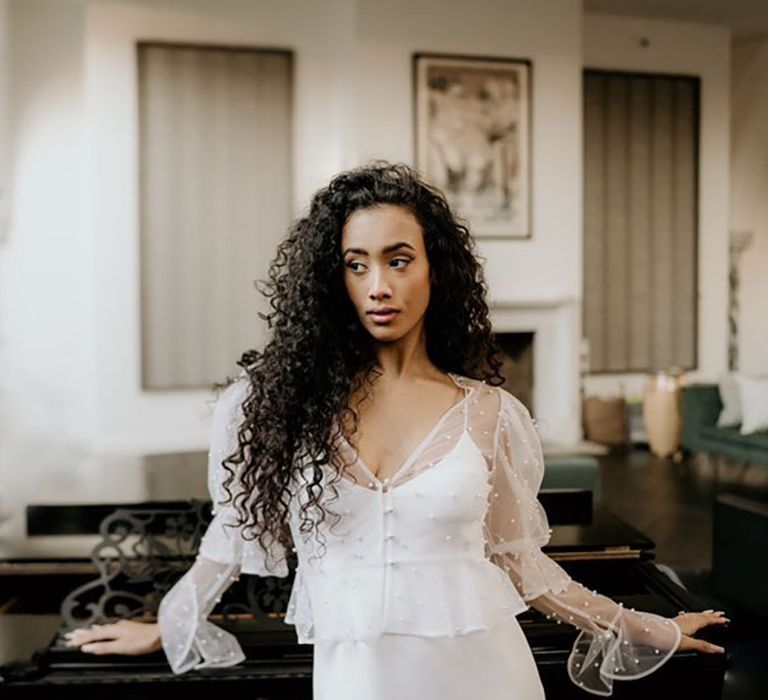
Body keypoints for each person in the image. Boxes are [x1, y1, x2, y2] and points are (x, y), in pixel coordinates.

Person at [64, 162, 728, 698]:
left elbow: (526, 568)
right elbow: (231, 538)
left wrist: (650, 627)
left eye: (399, 259)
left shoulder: (490, 413)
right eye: (357, 264)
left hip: (488, 675)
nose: (378, 285)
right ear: (334, 279)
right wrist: (166, 623)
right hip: (357, 681)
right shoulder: (275, 407)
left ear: (435, 268)